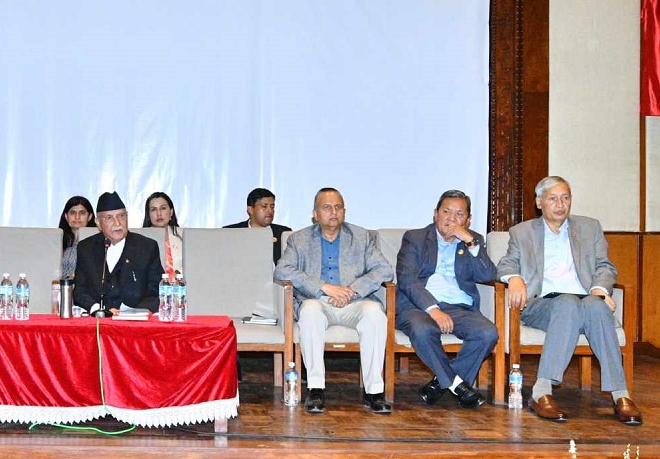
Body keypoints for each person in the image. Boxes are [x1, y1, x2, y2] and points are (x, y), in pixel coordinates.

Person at [497, 175, 642, 425]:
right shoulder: (522, 232)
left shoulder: (589, 227)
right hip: (543, 305)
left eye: (565, 198)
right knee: (567, 303)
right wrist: (514, 278)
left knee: (595, 306)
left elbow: (605, 266)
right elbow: (506, 264)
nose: (560, 204)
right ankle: (542, 391)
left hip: (586, 300)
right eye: (553, 199)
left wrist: (599, 289)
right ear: (539, 202)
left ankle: (621, 394)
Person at [274, 188, 394, 414]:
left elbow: (384, 270)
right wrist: (323, 287)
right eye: (327, 207)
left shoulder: (362, 237)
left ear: (344, 212)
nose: (333, 212)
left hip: (355, 301)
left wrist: (352, 290)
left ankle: (374, 392)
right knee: (309, 311)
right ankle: (316, 389)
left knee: (375, 315)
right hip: (317, 301)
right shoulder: (299, 239)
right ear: (315, 214)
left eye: (338, 207)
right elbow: (282, 270)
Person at [395, 190, 498, 410]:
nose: (451, 219)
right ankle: (458, 386)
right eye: (446, 212)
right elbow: (407, 279)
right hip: (419, 307)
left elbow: (488, 275)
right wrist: (433, 310)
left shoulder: (472, 240)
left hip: (459, 307)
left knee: (487, 333)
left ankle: (440, 384)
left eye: (459, 214)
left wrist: (470, 241)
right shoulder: (415, 238)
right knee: (423, 330)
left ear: (468, 220)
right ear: (435, 214)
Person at [73, 191, 163, 315]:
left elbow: (157, 291)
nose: (117, 223)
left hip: (135, 320)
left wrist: (133, 313)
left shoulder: (147, 247)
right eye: (109, 218)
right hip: (98, 319)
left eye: (121, 216)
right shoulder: (85, 248)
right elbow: (79, 291)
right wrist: (98, 309)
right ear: (98, 223)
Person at [224, 187, 292, 262]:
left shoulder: (283, 232)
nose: (270, 211)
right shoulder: (230, 232)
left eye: (272, 207)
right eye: (264, 206)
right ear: (250, 210)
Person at [142, 191, 183, 274]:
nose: (159, 214)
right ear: (148, 215)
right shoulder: (139, 239)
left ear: (171, 212)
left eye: (163, 208)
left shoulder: (183, 236)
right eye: (153, 209)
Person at [58, 196, 95, 280]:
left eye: (82, 213)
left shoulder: (99, 241)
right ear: (66, 216)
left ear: (89, 217)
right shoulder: (57, 241)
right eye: (72, 213)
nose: (77, 217)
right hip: (61, 285)